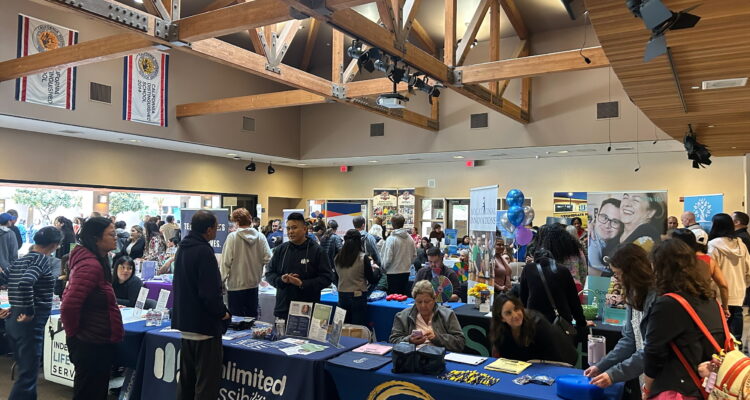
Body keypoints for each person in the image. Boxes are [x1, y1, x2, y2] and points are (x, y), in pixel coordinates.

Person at [642, 239, 726, 399]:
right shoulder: (712, 301)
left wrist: (647, 389)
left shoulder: (669, 304)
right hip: (708, 387)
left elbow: (653, 353)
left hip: (676, 389)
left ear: (659, 268)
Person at [61, 217, 123, 400]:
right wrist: (74, 334)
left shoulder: (98, 261)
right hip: (90, 342)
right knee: (89, 392)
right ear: (96, 238)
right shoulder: (90, 265)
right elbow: (69, 305)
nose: (115, 238)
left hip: (96, 340)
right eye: (111, 234)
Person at [172, 210, 231, 400]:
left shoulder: (183, 247)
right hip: (204, 327)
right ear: (208, 229)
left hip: (185, 324)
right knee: (206, 385)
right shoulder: (204, 250)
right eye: (215, 227)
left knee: (187, 382)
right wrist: (222, 313)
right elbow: (209, 292)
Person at [583, 244, 657, 390]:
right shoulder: (632, 295)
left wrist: (612, 374)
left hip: (659, 378)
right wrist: (601, 366)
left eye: (617, 274)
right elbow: (629, 340)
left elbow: (650, 350)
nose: (615, 279)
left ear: (632, 273)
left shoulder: (657, 299)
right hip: (643, 374)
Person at [5, 226, 62, 399]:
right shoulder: (42, 260)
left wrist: (13, 306)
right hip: (30, 322)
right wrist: (29, 311)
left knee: (27, 373)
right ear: (55, 244)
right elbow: (26, 283)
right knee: (28, 376)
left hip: (14, 320)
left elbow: (8, 279)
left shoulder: (21, 260)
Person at [520, 224, 587, 344]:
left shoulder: (547, 253)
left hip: (543, 299)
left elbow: (525, 296)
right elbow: (583, 271)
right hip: (574, 289)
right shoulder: (576, 249)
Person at [265, 212, 334, 318]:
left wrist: (302, 283)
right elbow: (269, 274)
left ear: (305, 229)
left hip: (307, 309)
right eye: (288, 228)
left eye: (294, 228)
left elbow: (327, 278)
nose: (290, 232)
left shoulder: (317, 251)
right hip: (283, 308)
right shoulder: (281, 250)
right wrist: (281, 280)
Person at [490, 293, 577, 365]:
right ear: (501, 318)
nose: (515, 315)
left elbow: (553, 358)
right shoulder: (500, 332)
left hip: (556, 364)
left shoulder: (538, 325)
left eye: (516, 309)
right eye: (508, 313)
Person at [220, 208, 272, 318]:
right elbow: (269, 259)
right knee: (252, 320)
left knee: (236, 321)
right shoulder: (260, 237)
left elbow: (225, 263)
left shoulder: (232, 237)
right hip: (253, 286)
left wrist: (220, 282)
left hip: (235, 287)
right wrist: (261, 274)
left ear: (237, 222)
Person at [707, 213, 750, 341]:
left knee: (721, 321)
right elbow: (748, 268)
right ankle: (737, 345)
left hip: (718, 289)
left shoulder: (713, 245)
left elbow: (709, 270)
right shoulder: (740, 245)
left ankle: (723, 347)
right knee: (737, 315)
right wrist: (744, 284)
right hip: (738, 288)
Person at [389, 280, 465, 352]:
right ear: (414, 300)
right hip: (413, 357)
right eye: (419, 302)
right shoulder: (402, 316)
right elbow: (393, 341)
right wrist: (410, 340)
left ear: (434, 299)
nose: (423, 305)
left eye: (427, 301)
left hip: (440, 357)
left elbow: (460, 343)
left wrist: (437, 338)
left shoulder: (447, 314)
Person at [672, 228, 730, 317]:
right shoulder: (709, 261)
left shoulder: (670, 260)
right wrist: (725, 307)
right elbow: (723, 285)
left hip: (677, 302)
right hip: (704, 302)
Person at [335, 229, 378, 325]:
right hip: (358, 296)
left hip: (342, 295)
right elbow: (371, 279)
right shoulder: (363, 257)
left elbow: (336, 278)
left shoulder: (338, 257)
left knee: (343, 327)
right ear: (359, 241)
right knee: (357, 329)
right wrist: (377, 270)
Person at [381, 215, 417, 296]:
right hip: (406, 272)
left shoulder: (391, 239)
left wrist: (383, 268)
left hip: (392, 273)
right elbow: (414, 256)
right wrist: (407, 264)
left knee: (393, 298)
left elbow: (387, 259)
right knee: (403, 297)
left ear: (393, 224)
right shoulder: (410, 238)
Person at [588, 198, 622, 276]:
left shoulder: (616, 242)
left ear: (621, 227)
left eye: (615, 222)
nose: (607, 225)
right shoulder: (591, 242)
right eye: (604, 217)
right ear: (596, 217)